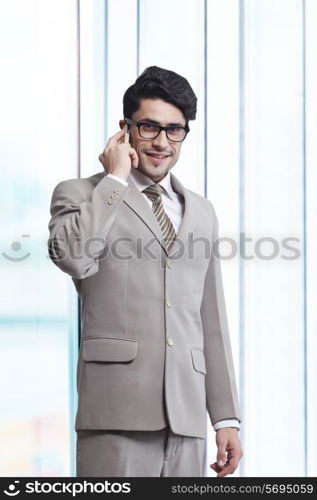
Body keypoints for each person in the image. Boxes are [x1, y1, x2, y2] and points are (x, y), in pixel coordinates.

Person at [48, 66, 243, 477]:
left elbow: (211, 318)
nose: (161, 142)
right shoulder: (82, 194)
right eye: (150, 127)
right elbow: (72, 256)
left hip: (188, 421)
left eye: (175, 130)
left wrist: (225, 417)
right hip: (116, 413)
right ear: (125, 129)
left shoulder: (201, 211)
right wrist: (116, 178)